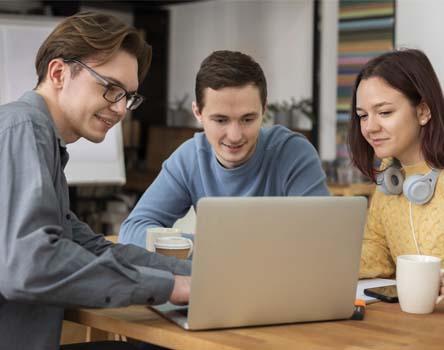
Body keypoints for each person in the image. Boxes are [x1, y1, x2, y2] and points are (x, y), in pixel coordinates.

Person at [0, 11, 191, 350]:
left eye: (127, 96)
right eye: (110, 88)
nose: (120, 109)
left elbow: (92, 248)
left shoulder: (40, 141)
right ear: (59, 73)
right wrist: (171, 288)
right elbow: (32, 265)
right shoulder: (23, 128)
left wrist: (194, 272)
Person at [119, 50, 329, 247]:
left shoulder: (293, 153)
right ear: (198, 113)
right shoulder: (189, 158)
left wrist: (221, 249)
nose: (235, 135)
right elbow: (133, 231)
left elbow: (322, 235)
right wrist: (207, 247)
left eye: (248, 119)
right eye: (220, 120)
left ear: (264, 109)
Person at [348, 48, 444, 294]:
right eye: (362, 115)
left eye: (384, 112)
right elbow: (377, 253)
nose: (370, 127)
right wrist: (321, 260)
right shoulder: (390, 175)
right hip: (410, 323)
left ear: (423, 111)